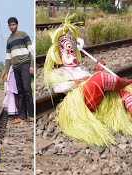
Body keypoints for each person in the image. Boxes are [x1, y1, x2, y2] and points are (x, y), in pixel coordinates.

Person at [43, 14, 132, 146]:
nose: (71, 53)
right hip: (81, 100)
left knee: (124, 93)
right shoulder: (57, 72)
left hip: (93, 94)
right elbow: (59, 88)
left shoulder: (81, 69)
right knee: (101, 78)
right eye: (67, 51)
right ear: (58, 55)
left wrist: (99, 70)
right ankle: (126, 81)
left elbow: (95, 82)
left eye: (72, 50)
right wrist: (81, 81)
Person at [3, 17, 34, 124]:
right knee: (20, 92)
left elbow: (31, 50)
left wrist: (32, 65)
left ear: (17, 25)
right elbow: (8, 57)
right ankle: (22, 116)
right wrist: (6, 72)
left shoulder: (23, 35)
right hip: (16, 67)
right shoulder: (9, 40)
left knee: (27, 89)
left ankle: (31, 115)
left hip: (25, 64)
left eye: (13, 24)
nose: (12, 27)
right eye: (10, 25)